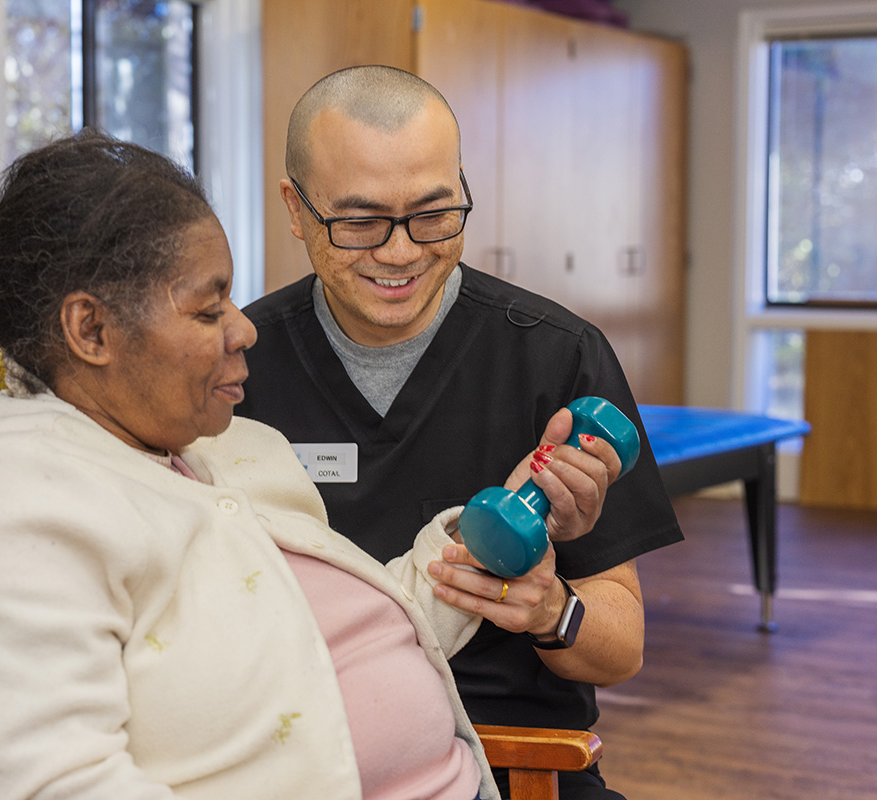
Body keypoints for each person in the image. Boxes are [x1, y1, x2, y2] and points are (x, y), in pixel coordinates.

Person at [0, 128, 578, 799]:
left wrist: (480, 540)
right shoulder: (5, 516)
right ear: (91, 330)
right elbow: (51, 783)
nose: (244, 329)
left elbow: (334, 631)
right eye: (209, 311)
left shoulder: (222, 449)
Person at [235, 66, 684, 800]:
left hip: (515, 762)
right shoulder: (235, 370)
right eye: (359, 221)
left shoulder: (557, 359)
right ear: (296, 207)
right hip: (301, 760)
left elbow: (619, 646)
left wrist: (551, 609)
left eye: (434, 215)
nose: (402, 252)